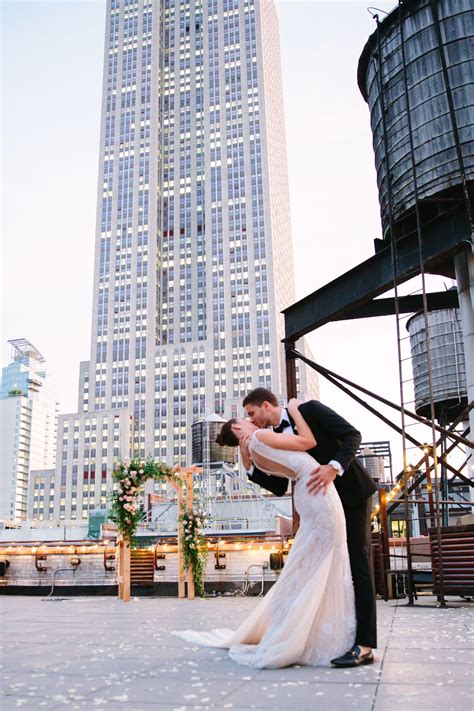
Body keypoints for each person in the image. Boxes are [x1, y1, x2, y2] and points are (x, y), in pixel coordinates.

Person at [172, 399, 356, 669]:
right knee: (328, 560)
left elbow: (276, 477)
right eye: (247, 417)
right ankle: (312, 632)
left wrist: (246, 459)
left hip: (306, 493)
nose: (252, 420)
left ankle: (297, 626)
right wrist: (293, 409)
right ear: (238, 427)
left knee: (307, 566)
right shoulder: (259, 437)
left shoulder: (254, 449)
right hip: (317, 491)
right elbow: (307, 443)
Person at [242, 388, 377, 668]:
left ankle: (364, 646)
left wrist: (334, 467)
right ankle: (331, 637)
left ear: (266, 405)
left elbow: (353, 435)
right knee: (326, 568)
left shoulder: (309, 410)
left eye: (252, 414)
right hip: (322, 505)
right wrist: (250, 467)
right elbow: (279, 485)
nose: (253, 421)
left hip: (350, 494)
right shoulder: (275, 435)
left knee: (357, 563)